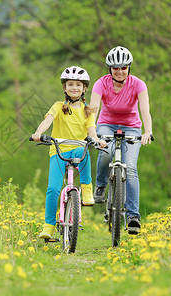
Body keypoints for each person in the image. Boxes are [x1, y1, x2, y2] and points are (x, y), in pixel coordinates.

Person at [32, 66, 107, 239]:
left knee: (85, 148)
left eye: (78, 85)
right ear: (64, 88)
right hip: (58, 150)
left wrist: (97, 140)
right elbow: (48, 121)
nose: (74, 88)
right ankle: (49, 226)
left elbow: (92, 132)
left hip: (78, 148)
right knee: (52, 189)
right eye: (70, 84)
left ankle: (87, 190)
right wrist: (38, 133)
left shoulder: (88, 110)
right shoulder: (58, 106)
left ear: (84, 88)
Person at [90, 46, 153, 233]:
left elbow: (145, 110)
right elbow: (93, 109)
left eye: (123, 67)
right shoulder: (100, 83)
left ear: (129, 68)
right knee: (106, 151)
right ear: (109, 69)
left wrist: (147, 131)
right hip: (106, 125)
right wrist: (92, 132)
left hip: (131, 127)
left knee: (131, 168)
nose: (119, 71)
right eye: (115, 68)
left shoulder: (139, 84)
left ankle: (133, 216)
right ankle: (100, 185)